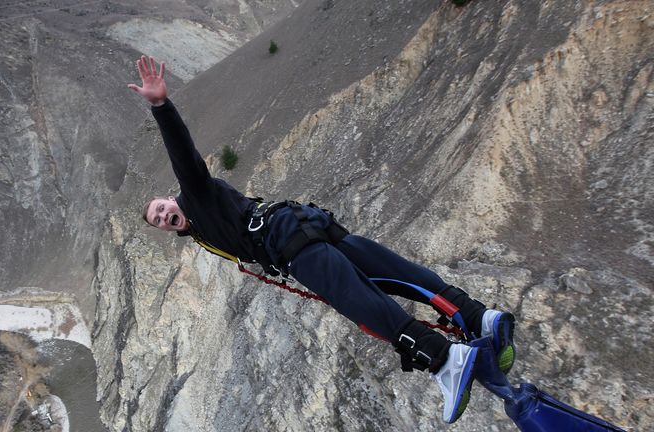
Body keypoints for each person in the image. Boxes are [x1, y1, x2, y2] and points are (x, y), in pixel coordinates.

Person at [127, 55, 515, 424]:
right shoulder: (196, 224)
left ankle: (445, 359)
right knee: (389, 274)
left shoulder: (194, 196)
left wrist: (162, 107)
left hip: (287, 241)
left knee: (360, 302)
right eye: (159, 220)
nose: (163, 215)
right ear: (165, 229)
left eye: (160, 208)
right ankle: (480, 317)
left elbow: (183, 155)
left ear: (168, 197)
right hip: (303, 223)